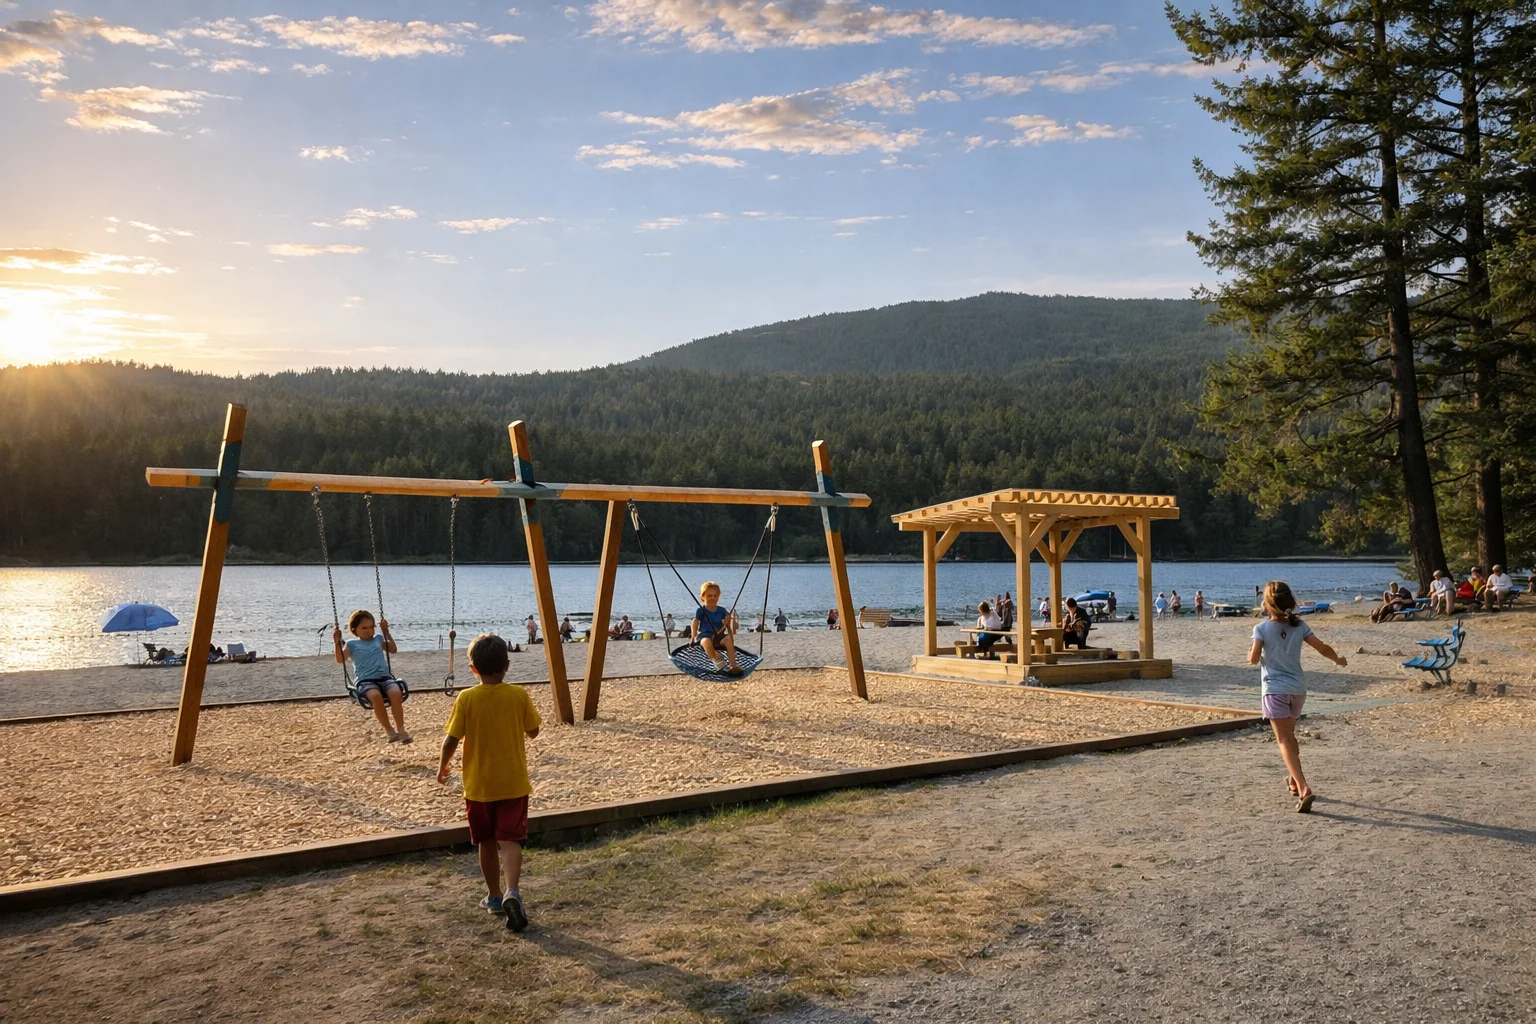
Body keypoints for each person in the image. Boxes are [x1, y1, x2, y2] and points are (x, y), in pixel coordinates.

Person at [437, 633, 541, 932]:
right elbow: (533, 731)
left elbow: (451, 739)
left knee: (485, 841)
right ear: (507, 666)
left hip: (479, 786)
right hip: (513, 783)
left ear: (473, 669)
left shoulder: (467, 698)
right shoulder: (518, 695)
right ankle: (512, 891)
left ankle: (494, 897)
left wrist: (442, 768)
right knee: (510, 840)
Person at [1249, 581, 1347, 813]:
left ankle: (1304, 787)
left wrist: (1252, 655)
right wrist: (1337, 660)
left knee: (1283, 740)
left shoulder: (1261, 628)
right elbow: (1321, 647)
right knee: (1290, 737)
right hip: (1297, 690)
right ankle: (1293, 779)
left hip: (1274, 689)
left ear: (1267, 604)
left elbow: (1253, 659)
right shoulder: (1299, 625)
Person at [333, 609, 409, 743]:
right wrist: (337, 642)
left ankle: (401, 728)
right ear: (354, 629)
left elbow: (393, 649)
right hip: (365, 681)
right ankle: (389, 730)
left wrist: (386, 633)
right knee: (375, 696)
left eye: (371, 627)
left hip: (385, 678)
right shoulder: (351, 644)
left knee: (396, 693)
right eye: (364, 628)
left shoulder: (378, 639)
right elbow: (340, 659)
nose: (369, 630)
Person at [694, 581, 744, 676]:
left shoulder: (722, 610)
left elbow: (733, 626)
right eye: (709, 596)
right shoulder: (701, 610)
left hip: (719, 636)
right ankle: (717, 659)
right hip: (705, 635)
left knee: (728, 640)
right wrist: (693, 637)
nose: (713, 598)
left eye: (715, 596)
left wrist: (730, 621)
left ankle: (733, 665)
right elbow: (695, 622)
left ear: (718, 597)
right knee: (706, 642)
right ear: (702, 597)